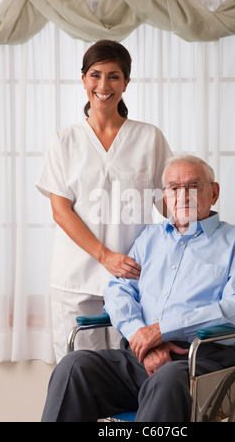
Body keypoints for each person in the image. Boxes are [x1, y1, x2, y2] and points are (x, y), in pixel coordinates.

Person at [41, 155, 235, 422]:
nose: (183, 196)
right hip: (138, 355)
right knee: (73, 367)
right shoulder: (149, 238)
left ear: (214, 192)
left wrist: (163, 330)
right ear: (166, 197)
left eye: (193, 186)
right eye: (174, 188)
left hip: (199, 361)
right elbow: (118, 290)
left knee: (168, 379)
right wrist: (142, 336)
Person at [36, 40, 173, 363]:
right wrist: (106, 256)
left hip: (133, 283)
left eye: (114, 76)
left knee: (130, 381)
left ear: (126, 83)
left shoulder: (149, 138)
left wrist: (205, 233)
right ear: (83, 79)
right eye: (95, 75)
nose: (103, 85)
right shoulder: (65, 140)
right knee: (78, 378)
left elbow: (170, 205)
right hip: (76, 282)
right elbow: (60, 210)